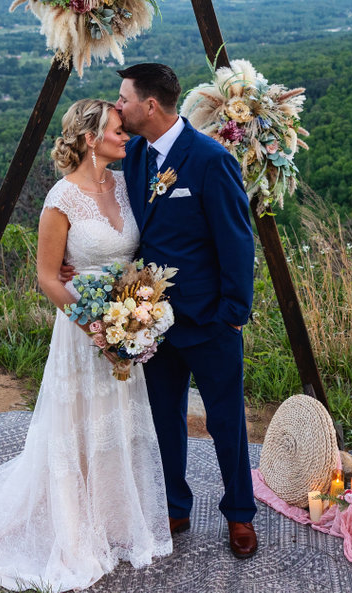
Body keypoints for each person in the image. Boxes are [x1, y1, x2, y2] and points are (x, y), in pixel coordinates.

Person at [0, 98, 171, 591]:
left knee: (117, 421)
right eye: (118, 131)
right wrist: (97, 330)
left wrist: (132, 319)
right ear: (88, 139)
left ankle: (117, 516)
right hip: (84, 330)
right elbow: (47, 278)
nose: (127, 138)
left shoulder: (126, 185)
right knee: (80, 422)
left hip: (126, 321)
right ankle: (75, 523)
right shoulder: (60, 199)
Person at [114, 62, 259, 559]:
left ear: (150, 105)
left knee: (226, 421)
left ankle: (240, 513)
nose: (119, 107)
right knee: (165, 418)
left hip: (210, 319)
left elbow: (237, 240)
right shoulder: (134, 156)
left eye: (124, 99)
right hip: (152, 322)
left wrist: (234, 312)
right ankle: (176, 505)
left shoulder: (210, 158)